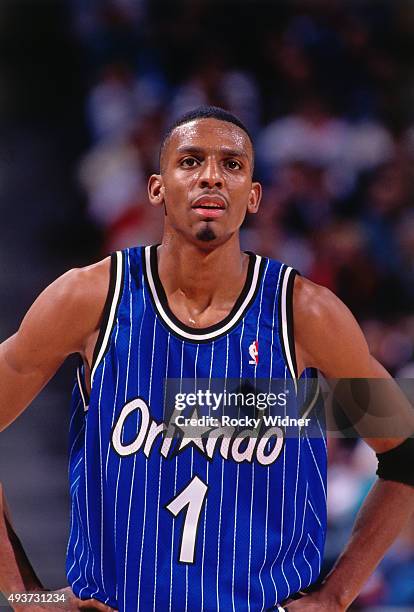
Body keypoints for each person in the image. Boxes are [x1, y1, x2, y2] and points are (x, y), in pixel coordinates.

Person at [1, 106, 414, 612]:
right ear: (157, 188)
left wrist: (336, 594)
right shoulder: (89, 299)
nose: (212, 176)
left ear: (254, 197)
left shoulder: (306, 315)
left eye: (233, 165)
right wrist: (26, 599)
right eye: (191, 161)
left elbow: (406, 450)